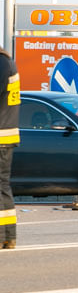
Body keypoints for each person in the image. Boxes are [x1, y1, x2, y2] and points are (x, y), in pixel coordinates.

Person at [0, 47, 20, 249]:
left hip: (0, 134)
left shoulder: (1, 64)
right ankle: (8, 237)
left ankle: (2, 237)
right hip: (8, 133)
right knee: (3, 187)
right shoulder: (8, 63)